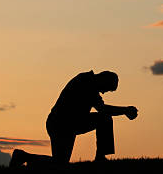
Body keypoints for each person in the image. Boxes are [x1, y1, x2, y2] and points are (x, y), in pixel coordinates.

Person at [9, 70, 138, 167]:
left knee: (60, 163)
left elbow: (102, 108)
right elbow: (103, 109)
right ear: (103, 79)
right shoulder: (85, 82)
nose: (104, 92)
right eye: (106, 89)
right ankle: (100, 158)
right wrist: (125, 110)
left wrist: (124, 110)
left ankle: (22, 156)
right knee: (60, 164)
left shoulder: (90, 84)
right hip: (60, 125)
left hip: (71, 123)